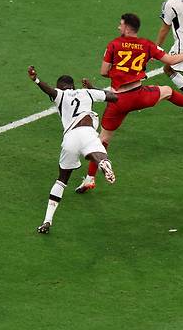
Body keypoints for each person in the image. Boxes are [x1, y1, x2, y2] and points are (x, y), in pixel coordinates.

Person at [75, 13, 183, 194]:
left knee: (102, 140)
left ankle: (90, 179)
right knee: (168, 91)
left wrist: (118, 73)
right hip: (139, 96)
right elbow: (171, 61)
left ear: (126, 28)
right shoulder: (147, 45)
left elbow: (103, 71)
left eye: (120, 24)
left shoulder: (114, 45)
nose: (118, 27)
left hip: (118, 100)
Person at [28, 66, 117, 234]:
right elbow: (113, 98)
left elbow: (50, 91)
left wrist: (36, 79)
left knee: (61, 180)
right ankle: (103, 163)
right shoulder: (87, 93)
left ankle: (47, 221)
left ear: (60, 86)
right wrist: (91, 88)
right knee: (98, 153)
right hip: (88, 132)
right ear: (72, 86)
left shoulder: (60, 95)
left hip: (70, 139)